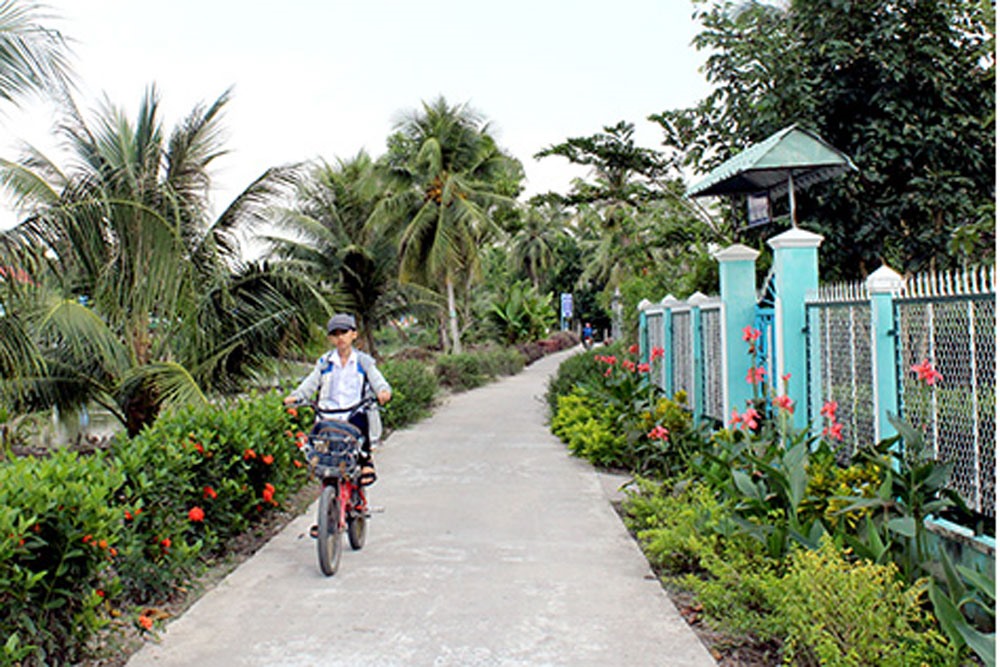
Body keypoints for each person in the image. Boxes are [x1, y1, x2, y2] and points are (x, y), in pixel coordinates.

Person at [284, 313, 392, 484]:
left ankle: (366, 462)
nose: (340, 337)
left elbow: (377, 381)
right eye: (335, 334)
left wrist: (383, 392)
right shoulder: (325, 362)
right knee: (320, 445)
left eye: (344, 332)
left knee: (361, 419)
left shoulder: (363, 362)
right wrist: (296, 397)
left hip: (354, 412)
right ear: (330, 338)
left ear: (353, 334)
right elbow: (310, 383)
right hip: (328, 414)